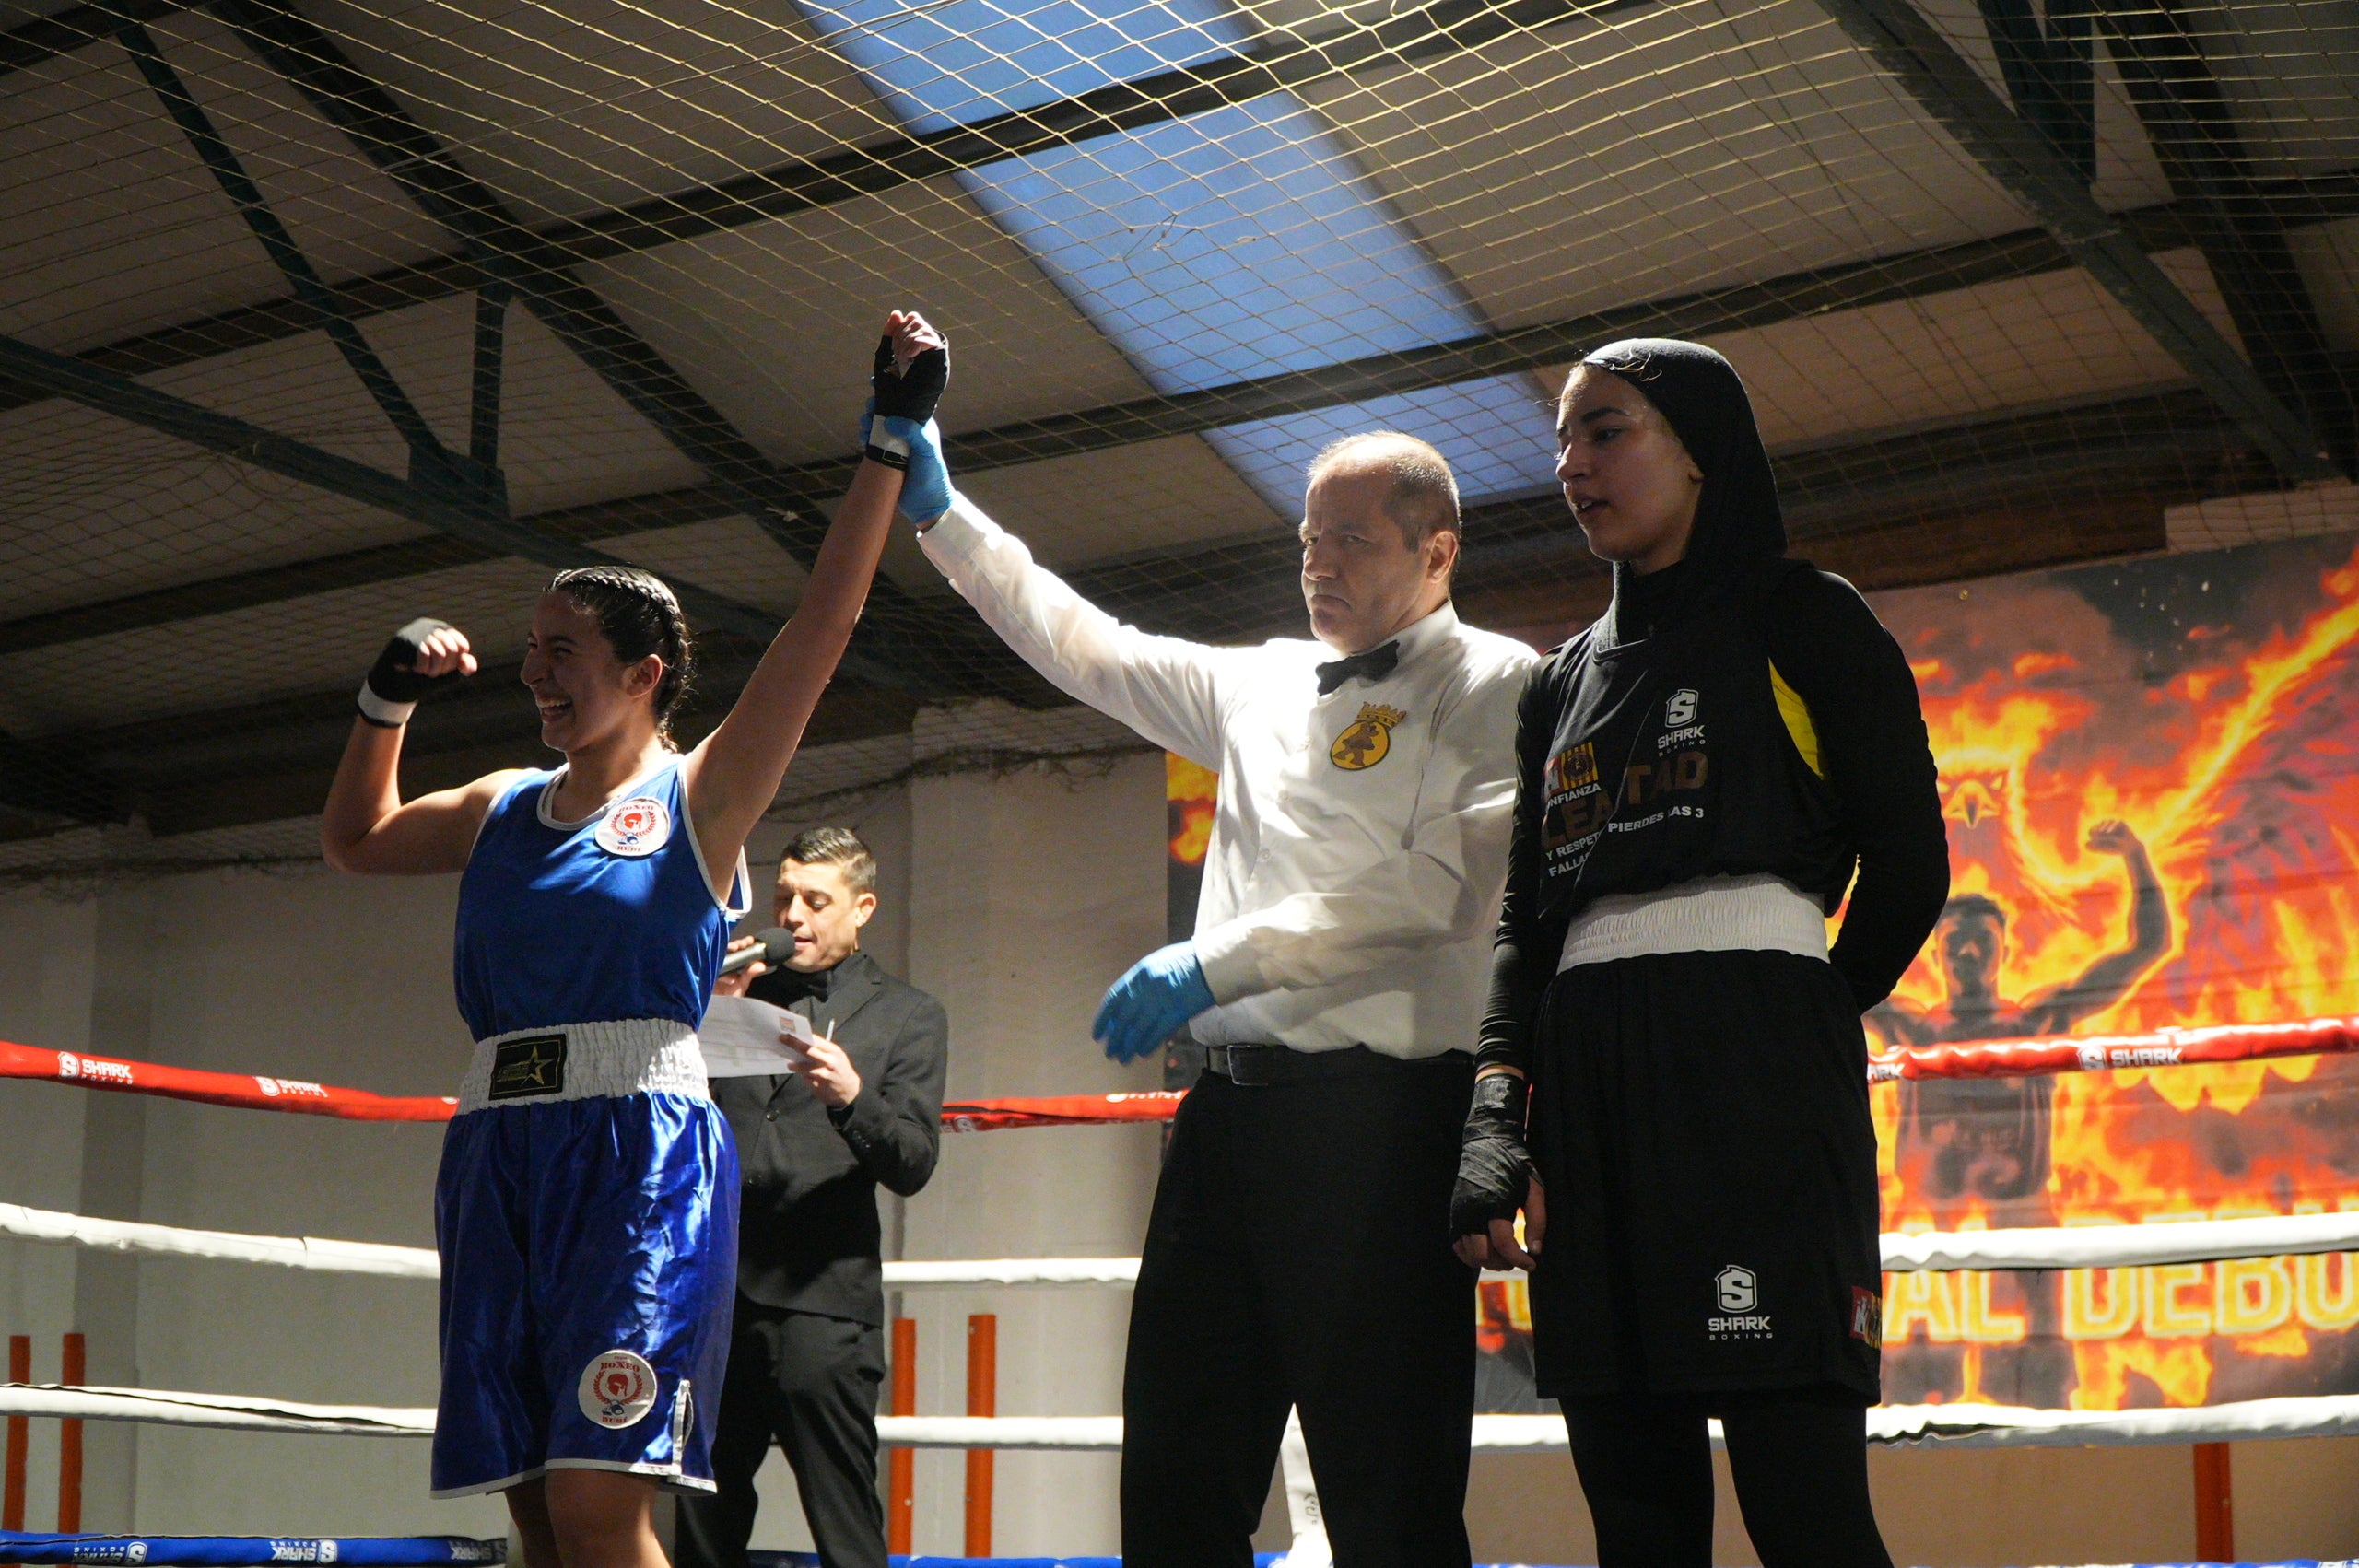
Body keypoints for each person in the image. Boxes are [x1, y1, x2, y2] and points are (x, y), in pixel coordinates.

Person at [319, 312, 949, 1568]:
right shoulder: (501, 803)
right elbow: (357, 837)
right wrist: (383, 697)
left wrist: (887, 443)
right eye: (531, 652)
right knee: (535, 1511)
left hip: (638, 1153)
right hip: (498, 1147)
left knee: (606, 1508)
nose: (537, 674)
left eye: (565, 653)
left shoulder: (700, 796)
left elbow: (819, 627)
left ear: (647, 672)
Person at [894, 425, 1535, 1566]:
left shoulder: (1497, 679)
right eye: (1306, 537)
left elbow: (1435, 891)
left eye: (1351, 538)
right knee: (1176, 1492)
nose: (1318, 563)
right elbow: (1086, 646)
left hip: (1382, 1128)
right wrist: (945, 515)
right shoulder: (1260, 680)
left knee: (1386, 1500)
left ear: (1437, 551)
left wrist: (1214, 960)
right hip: (1226, 1124)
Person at [1449, 339, 1949, 1568]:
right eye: (1562, 440)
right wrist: (1497, 1121)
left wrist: (1801, 1013)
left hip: (1756, 1081)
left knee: (1805, 1509)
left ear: (1700, 450)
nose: (1573, 466)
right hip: (1591, 1095)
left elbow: (1911, 865)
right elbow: (1528, 922)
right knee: (1637, 1521)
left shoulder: (1804, 618)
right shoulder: (1559, 681)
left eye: (1606, 430)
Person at [676, 827, 947, 1568]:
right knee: (698, 1524)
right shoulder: (728, 993)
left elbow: (914, 1162)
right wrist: (700, 1022)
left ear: (862, 910)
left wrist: (853, 1098)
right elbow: (661, 1125)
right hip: (716, 1300)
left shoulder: (909, 1016)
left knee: (845, 1527)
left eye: (815, 901)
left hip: (823, 1304)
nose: (794, 915)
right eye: (785, 896)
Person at [1872, 831, 2171, 1407]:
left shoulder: (2037, 1022)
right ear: (1936, 953)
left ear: (2003, 950)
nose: (1968, 954)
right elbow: (1819, 982)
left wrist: (2136, 854)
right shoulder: (1909, 1027)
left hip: (2024, 1225)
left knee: (2044, 1390)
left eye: (1981, 942)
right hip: (1931, 1239)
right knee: (1910, 1396)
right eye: (1955, 941)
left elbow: (2146, 946)